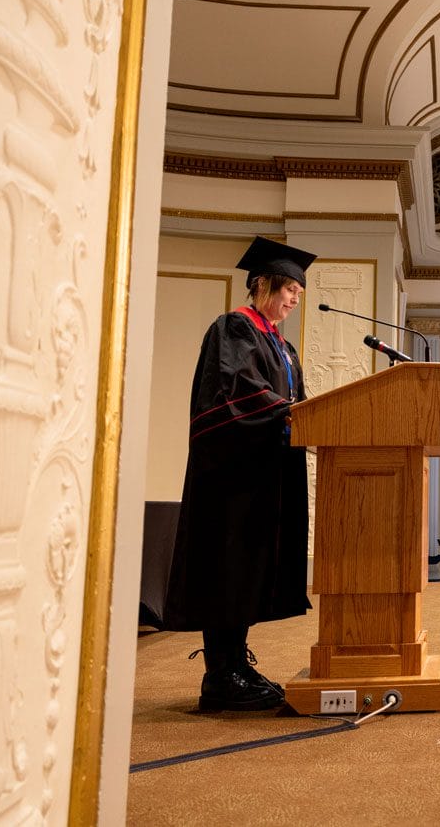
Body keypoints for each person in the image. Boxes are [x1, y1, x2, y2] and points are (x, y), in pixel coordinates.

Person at [161, 236, 317, 712]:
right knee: (228, 566)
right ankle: (220, 675)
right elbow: (233, 393)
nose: (293, 298)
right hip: (232, 475)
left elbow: (298, 406)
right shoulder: (234, 328)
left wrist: (305, 414)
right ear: (262, 283)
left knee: (250, 569)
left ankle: (236, 665)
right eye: (288, 288)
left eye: (297, 292)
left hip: (266, 474)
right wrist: (285, 411)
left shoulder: (284, 347)